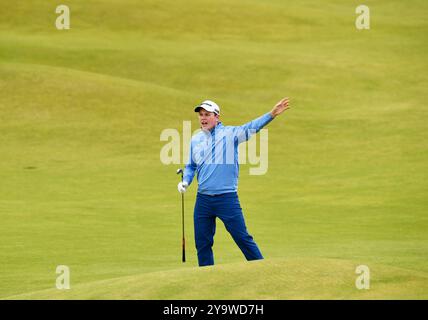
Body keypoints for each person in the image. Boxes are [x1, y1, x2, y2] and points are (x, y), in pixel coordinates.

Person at [177, 98, 290, 266]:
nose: (203, 118)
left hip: (226, 198)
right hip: (203, 200)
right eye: (201, 115)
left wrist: (271, 114)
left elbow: (251, 127)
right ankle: (207, 278)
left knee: (242, 237)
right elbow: (191, 166)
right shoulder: (196, 140)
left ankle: (262, 269)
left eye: (207, 114)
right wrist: (186, 181)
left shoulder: (230, 134)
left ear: (216, 116)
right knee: (202, 243)